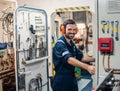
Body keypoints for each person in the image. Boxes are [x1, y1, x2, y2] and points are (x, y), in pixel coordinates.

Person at [52, 19, 95, 91]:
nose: (72, 32)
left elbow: (81, 57)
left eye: (74, 29)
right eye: (69, 29)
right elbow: (69, 60)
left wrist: (95, 59)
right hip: (62, 82)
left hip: (72, 79)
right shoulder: (60, 44)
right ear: (63, 30)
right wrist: (87, 67)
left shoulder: (72, 44)